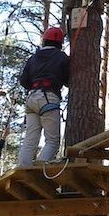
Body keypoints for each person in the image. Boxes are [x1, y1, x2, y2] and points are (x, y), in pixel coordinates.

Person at [17, 26, 69, 166]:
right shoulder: (61, 57)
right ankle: (39, 171)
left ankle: (23, 170)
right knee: (52, 141)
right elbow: (68, 80)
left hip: (32, 98)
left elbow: (24, 81)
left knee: (30, 140)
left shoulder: (33, 58)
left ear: (44, 40)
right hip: (49, 98)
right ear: (59, 43)